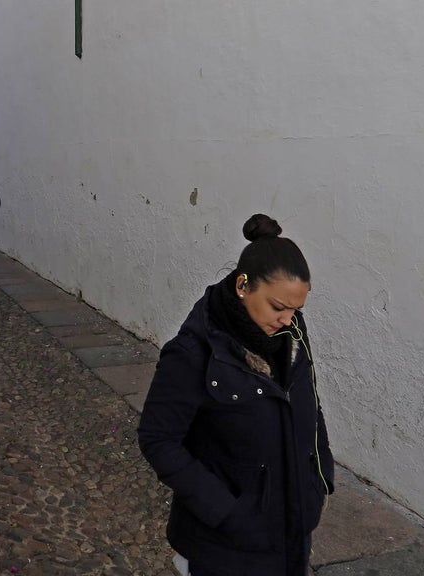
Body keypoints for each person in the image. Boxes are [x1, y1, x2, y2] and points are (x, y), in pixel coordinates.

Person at [138, 214, 334, 576]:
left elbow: (309, 403)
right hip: (224, 547)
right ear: (243, 285)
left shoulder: (292, 335)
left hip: (291, 535)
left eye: (297, 310)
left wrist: (319, 479)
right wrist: (226, 511)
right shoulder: (192, 353)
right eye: (278, 307)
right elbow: (158, 439)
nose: (289, 320)